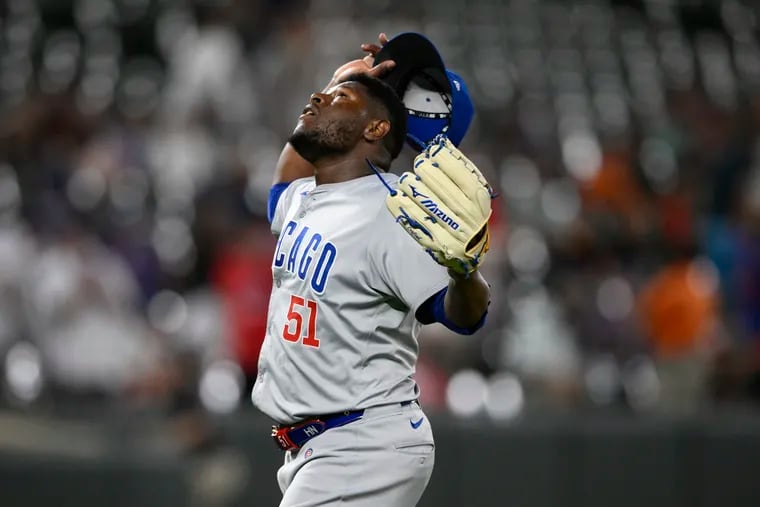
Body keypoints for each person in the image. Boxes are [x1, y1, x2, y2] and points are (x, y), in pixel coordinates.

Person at [252, 33, 491, 506]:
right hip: (321, 447)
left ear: (376, 129)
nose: (319, 97)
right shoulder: (305, 195)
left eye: (340, 98)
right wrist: (345, 79)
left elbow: (464, 317)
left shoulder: (394, 212)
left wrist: (466, 273)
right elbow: (281, 185)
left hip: (363, 443)